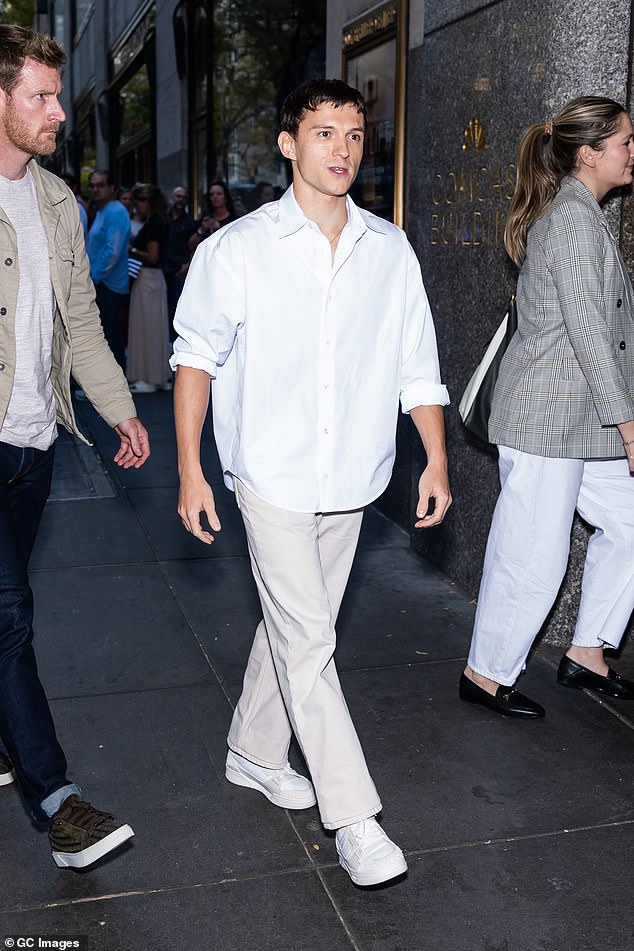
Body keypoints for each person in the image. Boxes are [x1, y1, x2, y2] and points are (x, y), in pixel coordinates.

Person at [171, 79, 451, 887]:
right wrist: (190, 470)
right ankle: (356, 818)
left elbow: (416, 366)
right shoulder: (238, 249)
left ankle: (253, 750)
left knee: (299, 628)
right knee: (311, 641)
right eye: (324, 132)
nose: (342, 149)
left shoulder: (388, 249)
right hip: (272, 473)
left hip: (352, 477)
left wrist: (432, 457)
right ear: (289, 143)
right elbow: (195, 360)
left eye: (355, 134)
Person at [0, 25, 150, 868]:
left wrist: (119, 410)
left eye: (57, 95)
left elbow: (81, 321)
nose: (59, 111)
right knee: (8, 614)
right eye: (41, 96)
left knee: (6, 606)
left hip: (33, 440)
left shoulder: (60, 201)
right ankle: (56, 800)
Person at [460, 96, 634, 719]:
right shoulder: (575, 221)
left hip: (579, 421)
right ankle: (486, 674)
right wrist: (628, 419)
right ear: (589, 155)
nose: (632, 153)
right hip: (547, 419)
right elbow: (592, 333)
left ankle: (586, 652)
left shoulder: (580, 214)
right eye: (624, 143)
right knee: (532, 551)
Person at [126, 182, 171, 393]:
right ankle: (156, 376)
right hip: (153, 279)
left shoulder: (153, 224)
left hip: (148, 278)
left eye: (138, 202)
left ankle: (149, 377)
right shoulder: (158, 221)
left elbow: (152, 257)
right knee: (153, 328)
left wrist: (133, 249)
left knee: (148, 329)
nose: (136, 207)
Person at [86, 169, 130, 369]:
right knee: (110, 335)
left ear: (112, 188)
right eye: (92, 185)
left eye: (100, 185)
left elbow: (113, 251)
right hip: (102, 282)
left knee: (107, 337)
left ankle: (114, 389)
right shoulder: (104, 210)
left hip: (108, 284)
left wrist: (94, 278)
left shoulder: (115, 211)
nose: (95, 189)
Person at [163, 186, 196, 339]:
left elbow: (193, 247)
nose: (180, 200)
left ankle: (176, 340)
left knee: (178, 307)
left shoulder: (190, 222)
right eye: (178, 196)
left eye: (183, 197)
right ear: (172, 198)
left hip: (180, 271)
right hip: (163, 269)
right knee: (164, 307)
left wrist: (187, 265)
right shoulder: (164, 218)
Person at [187, 180, 238, 253]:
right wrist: (202, 230)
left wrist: (219, 229)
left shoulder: (235, 221)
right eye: (211, 194)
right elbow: (191, 246)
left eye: (219, 194)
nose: (215, 197)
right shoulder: (205, 221)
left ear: (226, 198)